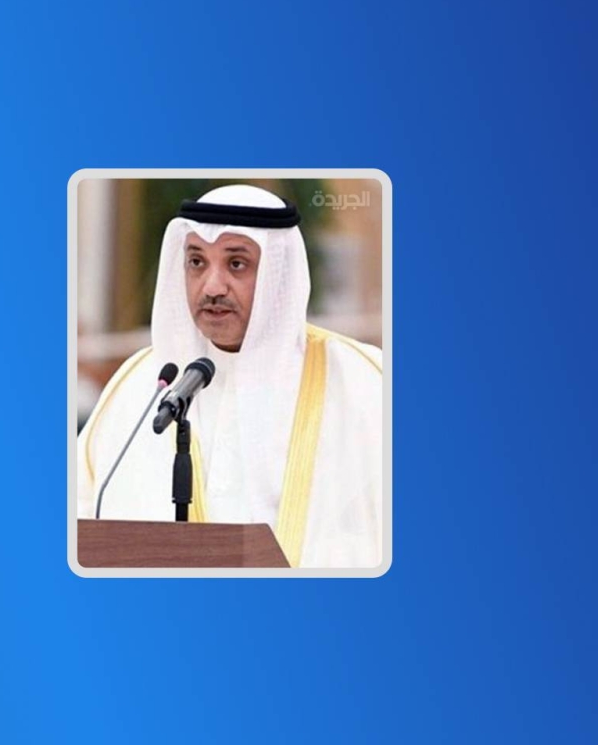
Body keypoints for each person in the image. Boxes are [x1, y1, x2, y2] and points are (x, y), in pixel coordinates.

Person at [76, 184, 384, 568]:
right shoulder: (139, 386)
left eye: (236, 264)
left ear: (278, 273)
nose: (212, 287)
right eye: (196, 262)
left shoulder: (365, 382)